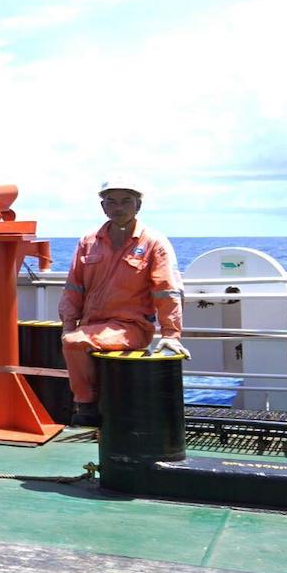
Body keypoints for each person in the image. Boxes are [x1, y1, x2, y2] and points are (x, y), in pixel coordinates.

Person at [59, 178, 184, 425]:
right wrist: (68, 323)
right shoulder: (88, 241)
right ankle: (97, 401)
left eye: (126, 201)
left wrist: (171, 335)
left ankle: (86, 407)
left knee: (75, 342)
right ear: (103, 206)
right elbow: (73, 286)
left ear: (138, 205)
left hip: (132, 326)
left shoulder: (153, 242)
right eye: (111, 201)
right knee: (72, 338)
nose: (119, 207)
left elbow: (166, 289)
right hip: (90, 325)